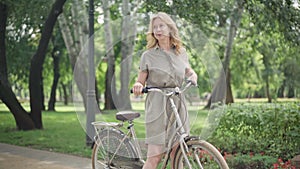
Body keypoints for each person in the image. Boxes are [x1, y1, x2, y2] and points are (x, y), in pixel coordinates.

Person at [132, 12, 198, 169]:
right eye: (155, 27)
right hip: (157, 102)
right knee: (155, 155)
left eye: (161, 26)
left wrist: (193, 75)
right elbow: (140, 80)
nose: (158, 30)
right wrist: (138, 86)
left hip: (177, 101)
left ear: (170, 28)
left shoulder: (181, 53)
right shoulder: (148, 55)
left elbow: (188, 71)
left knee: (178, 152)